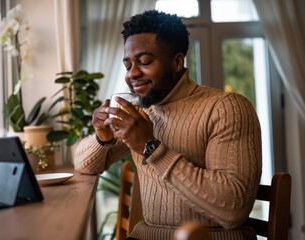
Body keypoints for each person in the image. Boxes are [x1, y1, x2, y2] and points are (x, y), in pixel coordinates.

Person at [74, 10, 262, 240]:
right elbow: (82, 165)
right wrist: (101, 138)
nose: (132, 74)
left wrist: (150, 146)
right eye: (127, 65)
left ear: (177, 62)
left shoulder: (226, 108)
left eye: (144, 62)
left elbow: (233, 208)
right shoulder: (144, 114)